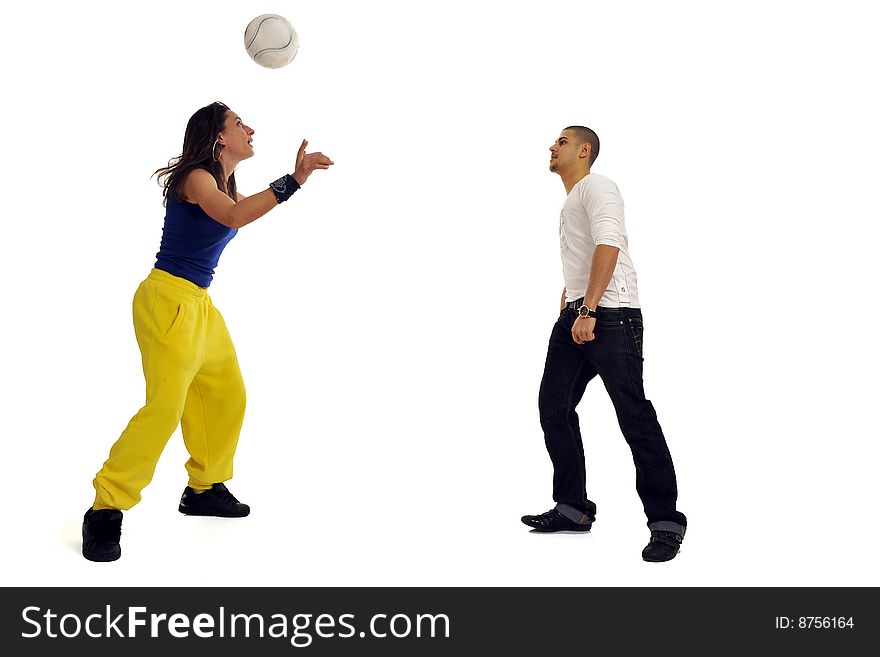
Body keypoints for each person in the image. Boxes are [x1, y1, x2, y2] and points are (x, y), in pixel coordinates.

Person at [82, 101, 333, 562]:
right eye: (240, 123)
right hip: (168, 300)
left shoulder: (223, 183)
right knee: (164, 409)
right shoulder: (197, 178)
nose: (250, 128)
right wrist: (294, 181)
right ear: (218, 137)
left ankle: (203, 488)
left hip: (198, 303)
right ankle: (105, 509)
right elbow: (234, 217)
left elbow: (242, 209)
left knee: (225, 393)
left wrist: (292, 182)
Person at [521, 126, 687, 562]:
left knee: (633, 413)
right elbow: (585, 254)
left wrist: (590, 309)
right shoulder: (571, 199)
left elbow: (609, 243)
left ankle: (666, 522)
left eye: (560, 141)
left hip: (610, 316)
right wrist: (570, 304)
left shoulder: (598, 185)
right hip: (578, 314)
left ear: (583, 149)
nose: (551, 147)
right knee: (553, 406)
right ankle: (572, 509)